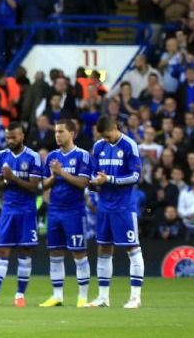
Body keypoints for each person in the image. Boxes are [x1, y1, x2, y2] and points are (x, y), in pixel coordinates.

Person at [89, 108, 144, 308]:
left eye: (107, 135)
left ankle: (135, 297)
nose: (106, 139)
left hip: (124, 206)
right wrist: (94, 181)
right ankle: (103, 297)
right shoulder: (98, 146)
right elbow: (93, 172)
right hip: (104, 206)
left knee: (132, 247)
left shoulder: (129, 145)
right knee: (103, 248)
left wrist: (110, 179)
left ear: (115, 127)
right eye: (102, 136)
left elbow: (136, 176)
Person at [42, 118, 95, 306]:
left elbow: (84, 183)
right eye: (56, 132)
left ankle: (82, 297)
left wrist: (62, 173)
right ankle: (57, 296)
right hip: (55, 210)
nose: (57, 135)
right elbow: (43, 184)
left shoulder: (82, 156)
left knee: (79, 253)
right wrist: (53, 176)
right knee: (55, 253)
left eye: (61, 131)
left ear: (72, 133)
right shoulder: (51, 157)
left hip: (74, 211)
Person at [0, 121, 44, 307]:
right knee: (1, 250)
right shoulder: (0, 156)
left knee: (25, 252)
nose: (10, 141)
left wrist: (12, 177)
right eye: (7, 137)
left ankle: (20, 295)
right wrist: (7, 180)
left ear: (22, 136)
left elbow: (34, 187)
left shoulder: (33, 157)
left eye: (13, 137)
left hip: (26, 210)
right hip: (8, 210)